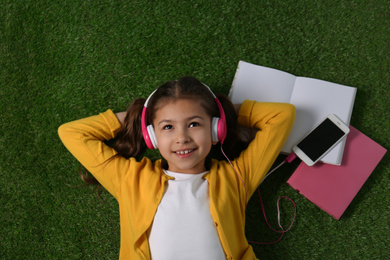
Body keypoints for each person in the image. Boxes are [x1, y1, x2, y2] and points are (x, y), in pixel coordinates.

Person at [58, 76, 295, 260]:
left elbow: (281, 117)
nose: (182, 137)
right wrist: (136, 117)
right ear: (151, 136)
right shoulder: (129, 178)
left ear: (215, 131)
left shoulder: (236, 177)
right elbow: (72, 133)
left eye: (194, 123)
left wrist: (223, 114)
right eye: (168, 127)